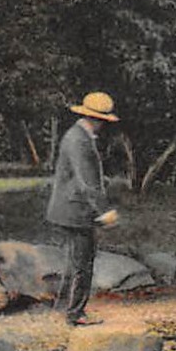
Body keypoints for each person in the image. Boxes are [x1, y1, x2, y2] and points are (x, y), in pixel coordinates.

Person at [46, 91, 120, 325]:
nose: (104, 126)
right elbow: (87, 183)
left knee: (74, 261)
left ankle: (63, 306)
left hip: (69, 207)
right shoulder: (79, 140)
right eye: (103, 121)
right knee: (83, 263)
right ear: (95, 119)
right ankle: (75, 313)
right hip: (76, 210)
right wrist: (105, 211)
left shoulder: (77, 136)